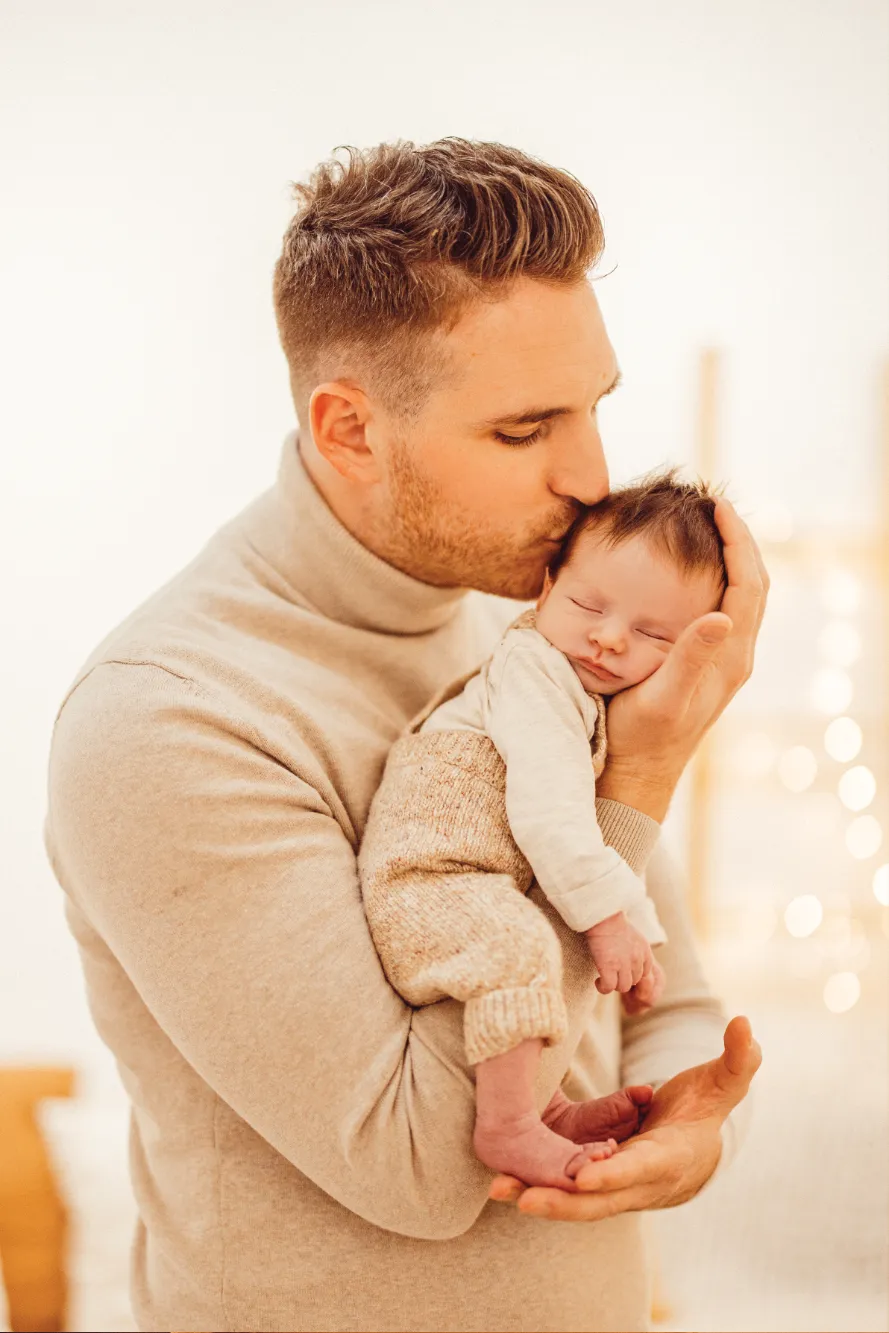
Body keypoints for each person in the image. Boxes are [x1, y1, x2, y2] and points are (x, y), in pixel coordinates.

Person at [44, 137, 766, 1333]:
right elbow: (429, 1169)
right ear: (349, 431)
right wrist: (641, 769)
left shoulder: (539, 628)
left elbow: (661, 994)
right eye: (525, 430)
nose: (591, 478)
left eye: (595, 408)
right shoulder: (167, 717)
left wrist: (689, 1129)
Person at [359, 471, 728, 1192]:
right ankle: (505, 1124)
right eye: (586, 603)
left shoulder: (587, 694)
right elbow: (550, 816)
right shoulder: (535, 670)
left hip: (475, 879)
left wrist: (639, 930)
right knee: (521, 943)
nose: (609, 636)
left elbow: (593, 838)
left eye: (653, 634)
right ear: (547, 584)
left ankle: (543, 1106)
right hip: (426, 879)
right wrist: (607, 923)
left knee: (526, 942)